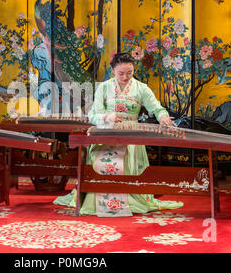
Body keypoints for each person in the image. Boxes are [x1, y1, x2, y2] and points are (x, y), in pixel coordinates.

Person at [54, 52, 183, 217]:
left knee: (128, 159)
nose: (126, 77)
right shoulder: (104, 87)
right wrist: (107, 117)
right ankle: (98, 197)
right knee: (99, 159)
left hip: (131, 134)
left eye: (130, 73)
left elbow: (156, 107)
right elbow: (93, 114)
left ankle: (131, 198)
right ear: (113, 70)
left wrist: (163, 116)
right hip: (107, 132)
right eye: (121, 73)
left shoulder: (141, 88)